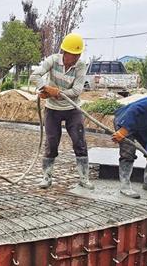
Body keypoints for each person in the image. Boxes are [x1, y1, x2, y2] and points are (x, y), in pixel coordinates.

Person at [30, 33, 93, 190]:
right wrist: (44, 88)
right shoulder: (52, 60)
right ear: (65, 52)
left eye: (79, 54)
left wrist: (56, 92)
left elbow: (77, 90)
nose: (77, 57)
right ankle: (47, 177)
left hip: (73, 109)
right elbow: (35, 75)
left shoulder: (80, 65)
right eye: (74, 54)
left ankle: (84, 178)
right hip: (52, 109)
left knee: (79, 142)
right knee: (51, 142)